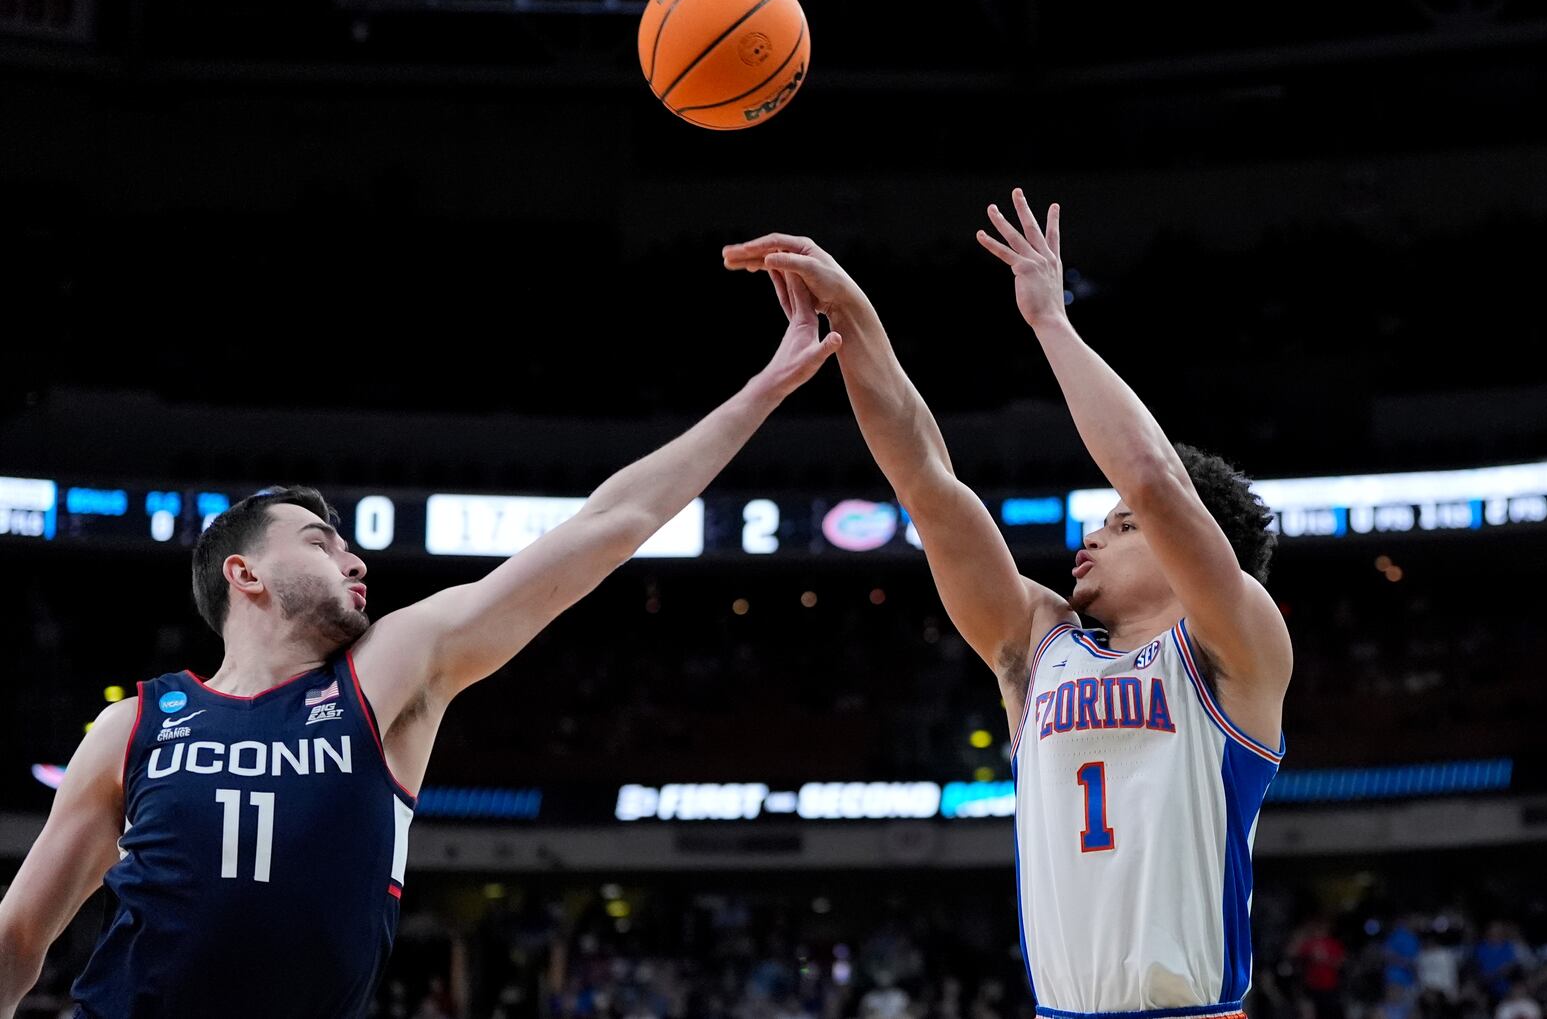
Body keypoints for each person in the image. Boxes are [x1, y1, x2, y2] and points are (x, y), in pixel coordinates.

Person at [0, 299, 842, 1019]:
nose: (356, 561)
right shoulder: (134, 722)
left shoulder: (385, 671)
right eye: (322, 543)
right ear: (244, 571)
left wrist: (761, 391)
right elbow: (19, 934)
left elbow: (604, 525)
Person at [724, 188, 1291, 1019]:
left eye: (1121, 527)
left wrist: (1051, 323)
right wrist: (855, 321)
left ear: (1188, 547)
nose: (1088, 542)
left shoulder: (1235, 645)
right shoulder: (1037, 638)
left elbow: (1152, 476)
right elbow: (928, 483)